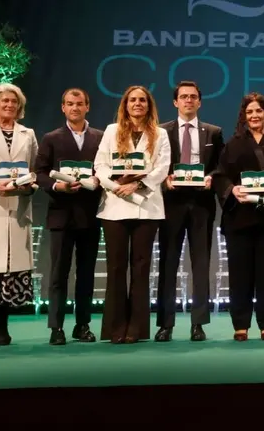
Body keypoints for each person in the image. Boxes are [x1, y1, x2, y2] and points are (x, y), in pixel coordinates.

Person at [212, 92, 264, 341]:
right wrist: (231, 189)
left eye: (258, 111)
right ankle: (241, 325)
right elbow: (220, 176)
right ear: (244, 117)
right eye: (249, 112)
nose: (254, 115)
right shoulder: (232, 145)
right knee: (239, 274)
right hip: (240, 219)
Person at [94, 85, 171, 343]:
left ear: (149, 105)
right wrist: (116, 186)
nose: (137, 104)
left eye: (142, 100)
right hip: (114, 206)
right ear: (125, 105)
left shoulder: (160, 134)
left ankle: (136, 330)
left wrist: (136, 184)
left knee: (141, 269)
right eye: (133, 100)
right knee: (116, 268)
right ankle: (115, 329)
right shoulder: (111, 131)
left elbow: (162, 168)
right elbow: (100, 165)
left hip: (147, 208)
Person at [155, 81, 224, 342]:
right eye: (183, 97)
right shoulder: (162, 131)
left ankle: (198, 323)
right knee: (168, 263)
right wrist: (164, 178)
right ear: (175, 102)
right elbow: (156, 163)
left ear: (200, 102)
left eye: (193, 97)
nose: (188, 101)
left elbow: (220, 166)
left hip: (201, 204)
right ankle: (165, 324)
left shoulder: (213, 132)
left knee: (201, 264)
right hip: (171, 203)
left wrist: (212, 179)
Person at [35, 88, 104, 345]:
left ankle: (82, 325)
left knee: (86, 274)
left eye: (79, 104)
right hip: (61, 215)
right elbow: (40, 173)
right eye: (69, 104)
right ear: (62, 108)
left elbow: (106, 168)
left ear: (88, 107)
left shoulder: (100, 137)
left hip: (89, 214)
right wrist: (57, 186)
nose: (75, 108)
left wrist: (98, 179)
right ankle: (56, 328)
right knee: (58, 274)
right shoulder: (51, 138)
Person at [0, 83, 38, 346]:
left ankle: (2, 326)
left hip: (18, 209)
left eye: (14, 102)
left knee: (10, 271)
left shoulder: (27, 133)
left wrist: (29, 185)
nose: (9, 105)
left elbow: (33, 167)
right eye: (4, 101)